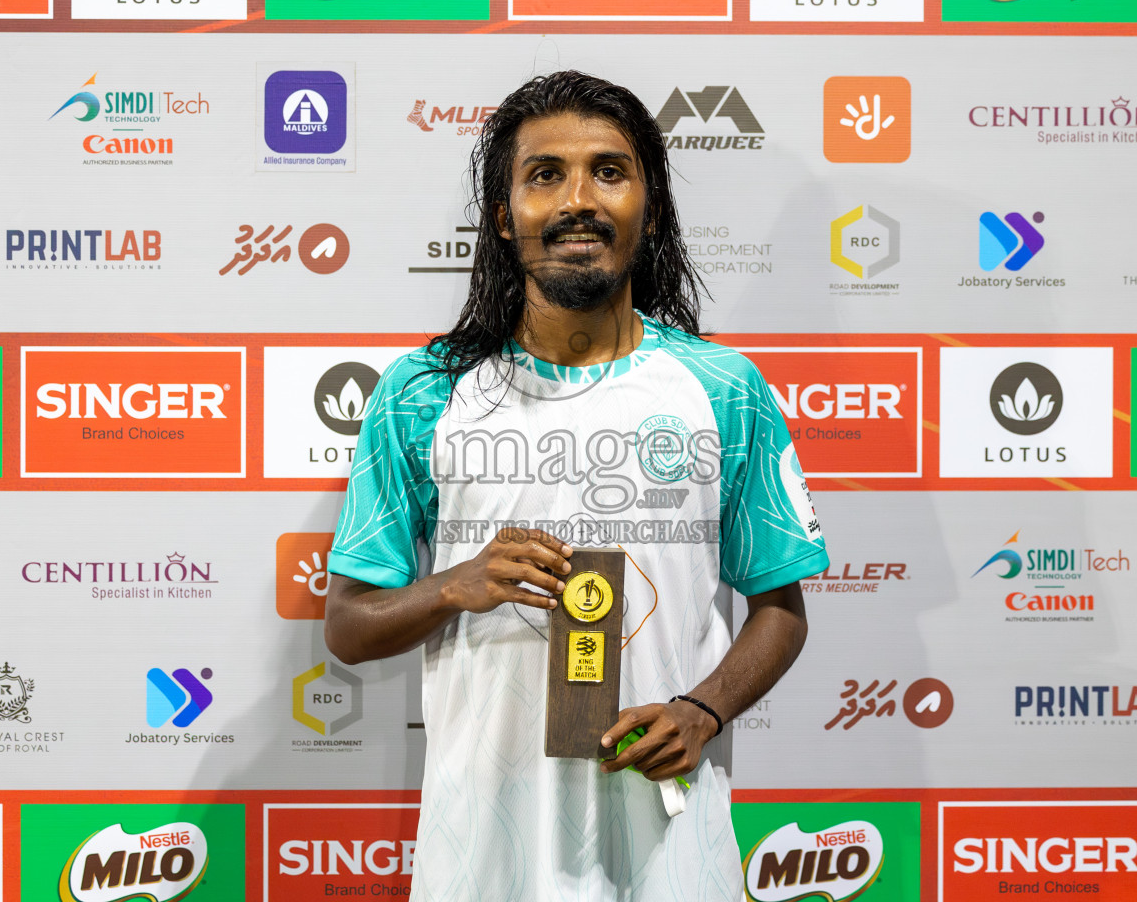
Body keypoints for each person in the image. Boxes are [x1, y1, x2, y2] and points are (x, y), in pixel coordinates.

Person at [324, 70, 829, 900]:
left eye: (609, 170)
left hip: (667, 837)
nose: (577, 200)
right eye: (545, 175)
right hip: (483, 843)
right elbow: (349, 626)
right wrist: (458, 583)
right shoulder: (421, 393)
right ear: (502, 214)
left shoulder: (725, 388)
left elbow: (780, 611)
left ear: (651, 208)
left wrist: (702, 710)